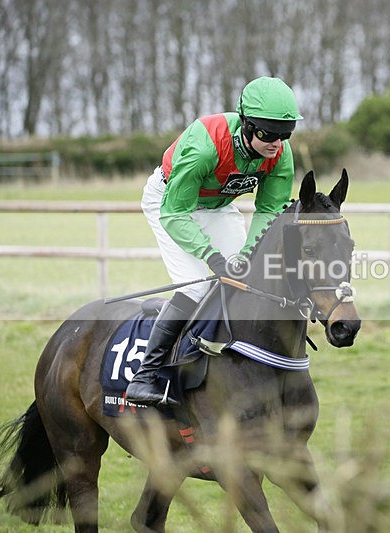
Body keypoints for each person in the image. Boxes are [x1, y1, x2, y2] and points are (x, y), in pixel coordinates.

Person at [126, 76, 303, 406]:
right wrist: (212, 256)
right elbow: (175, 214)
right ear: (247, 124)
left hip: (218, 205)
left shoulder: (279, 154)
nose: (275, 144)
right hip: (170, 202)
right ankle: (145, 375)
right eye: (266, 134)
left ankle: (227, 358)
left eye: (284, 135)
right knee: (196, 287)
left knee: (244, 276)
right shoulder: (205, 145)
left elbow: (269, 210)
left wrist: (247, 254)